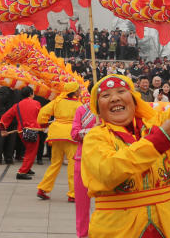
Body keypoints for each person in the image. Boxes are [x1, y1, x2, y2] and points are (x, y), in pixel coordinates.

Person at [81, 30, 170, 238]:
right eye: (106, 96)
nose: (114, 98)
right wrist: (157, 142)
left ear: (134, 100)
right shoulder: (96, 138)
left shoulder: (156, 126)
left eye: (121, 92)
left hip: (166, 226)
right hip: (117, 229)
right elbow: (109, 170)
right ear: (98, 108)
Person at [37, 83, 82, 201]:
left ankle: (43, 188)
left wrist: (44, 124)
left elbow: (43, 112)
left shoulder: (57, 101)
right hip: (71, 135)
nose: (80, 91)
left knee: (55, 163)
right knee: (73, 165)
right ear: (74, 91)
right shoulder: (79, 105)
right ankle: (73, 194)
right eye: (79, 89)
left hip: (56, 134)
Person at [0, 86, 42, 179]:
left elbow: (6, 116)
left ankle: (27, 168)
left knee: (28, 150)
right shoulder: (36, 103)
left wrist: (3, 128)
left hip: (21, 131)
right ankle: (22, 172)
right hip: (33, 131)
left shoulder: (17, 105)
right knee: (31, 151)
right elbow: (41, 116)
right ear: (31, 94)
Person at [71, 102, 98, 238]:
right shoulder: (82, 110)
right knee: (82, 206)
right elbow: (74, 134)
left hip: (107, 161)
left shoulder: (113, 109)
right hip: (83, 160)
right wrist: (93, 131)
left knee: (108, 206)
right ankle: (83, 235)